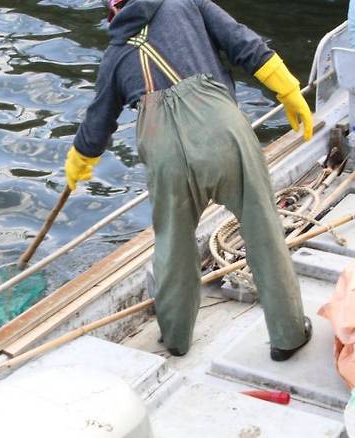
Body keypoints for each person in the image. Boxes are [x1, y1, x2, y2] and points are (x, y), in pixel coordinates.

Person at [65, 0, 313, 360]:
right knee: (262, 230)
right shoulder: (188, 3)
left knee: (173, 245)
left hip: (166, 156)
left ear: (111, 10)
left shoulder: (116, 55)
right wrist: (288, 89)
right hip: (223, 134)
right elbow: (244, 43)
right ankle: (288, 335)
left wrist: (80, 159)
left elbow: (97, 122)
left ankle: (176, 338)